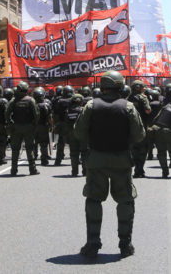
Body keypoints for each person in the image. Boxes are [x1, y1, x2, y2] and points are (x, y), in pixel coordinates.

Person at [74, 70, 145, 258]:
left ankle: (92, 243)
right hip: (121, 159)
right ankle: (125, 244)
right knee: (125, 200)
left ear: (102, 86)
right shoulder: (128, 106)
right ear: (121, 86)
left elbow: (79, 133)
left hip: (96, 159)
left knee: (94, 199)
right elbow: (139, 135)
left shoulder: (91, 105)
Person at [5, 81, 40, 176]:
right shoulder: (30, 100)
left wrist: (10, 123)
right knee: (29, 149)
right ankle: (32, 169)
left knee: (15, 149)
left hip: (16, 127)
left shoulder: (13, 100)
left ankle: (13, 170)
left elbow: (7, 113)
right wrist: (34, 124)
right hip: (28, 127)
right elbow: (36, 114)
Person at [127, 80, 151, 177]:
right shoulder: (143, 98)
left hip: (130, 127)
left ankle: (137, 168)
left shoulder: (128, 98)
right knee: (143, 149)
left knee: (134, 149)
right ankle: (140, 169)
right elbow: (148, 111)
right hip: (142, 126)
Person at [64, 94, 87, 176]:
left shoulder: (68, 111)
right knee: (84, 152)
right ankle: (85, 171)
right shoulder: (83, 110)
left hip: (72, 133)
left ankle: (74, 171)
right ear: (81, 101)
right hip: (82, 133)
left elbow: (66, 123)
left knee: (73, 153)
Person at [32, 87, 53, 166]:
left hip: (33, 126)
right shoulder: (46, 105)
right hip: (43, 126)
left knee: (33, 143)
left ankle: (33, 158)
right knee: (43, 144)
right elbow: (50, 117)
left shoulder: (31, 104)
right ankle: (44, 160)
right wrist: (51, 126)